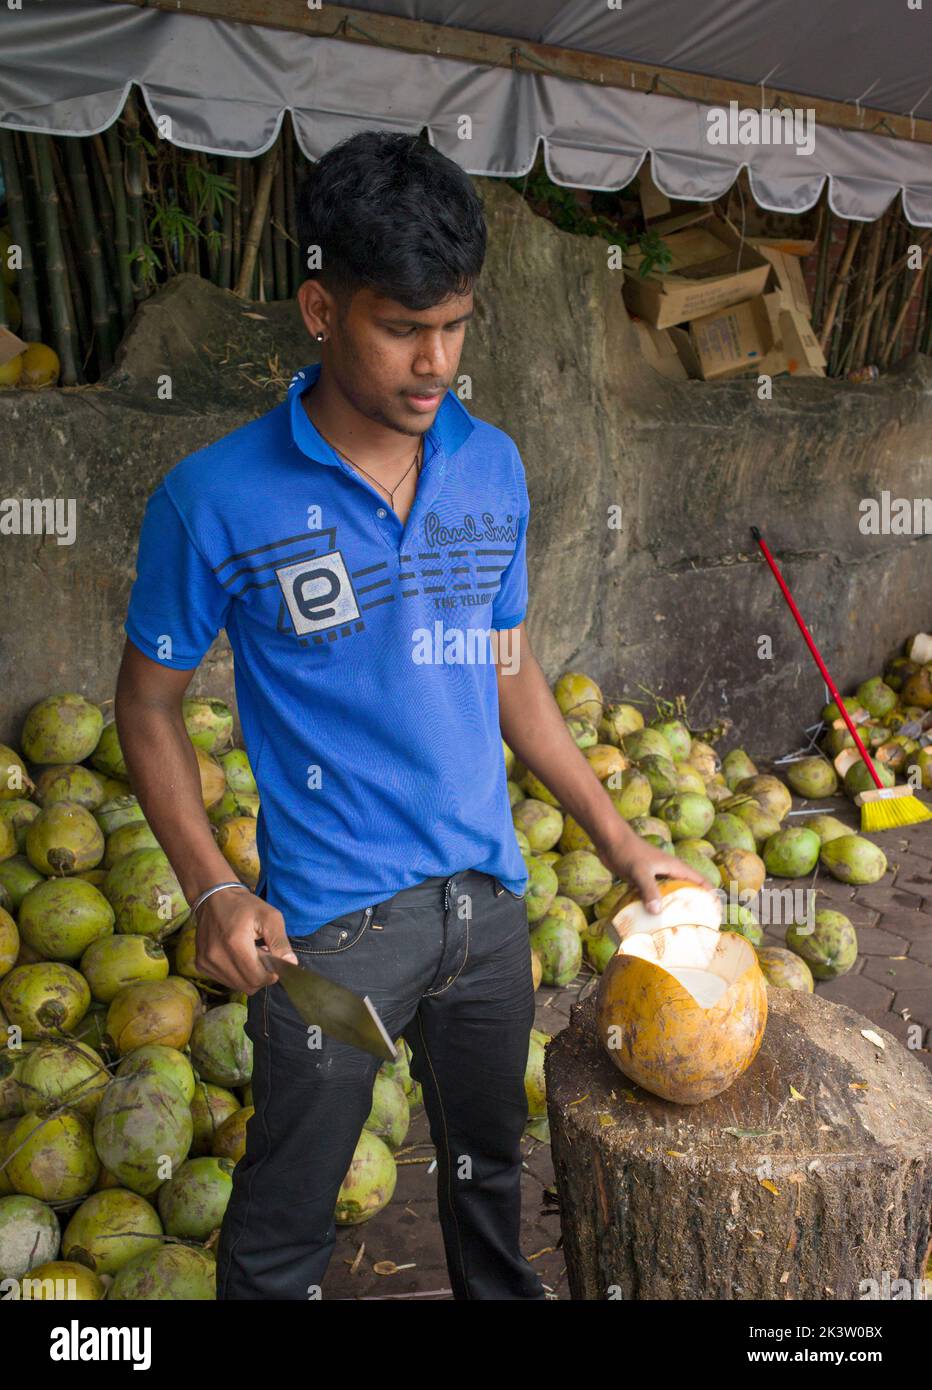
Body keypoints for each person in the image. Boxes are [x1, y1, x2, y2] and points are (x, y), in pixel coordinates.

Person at [115, 129, 708, 1301]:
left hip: (488, 909)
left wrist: (618, 838)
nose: (434, 361)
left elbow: (510, 675)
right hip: (331, 935)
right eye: (401, 327)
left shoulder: (490, 468)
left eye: (456, 324)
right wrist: (211, 886)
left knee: (490, 1182)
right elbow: (145, 704)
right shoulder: (213, 498)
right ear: (321, 309)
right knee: (287, 1219)